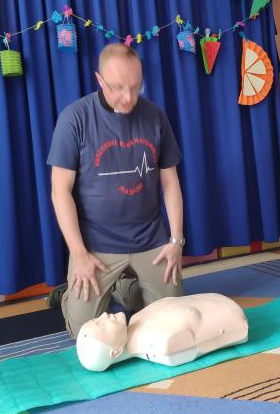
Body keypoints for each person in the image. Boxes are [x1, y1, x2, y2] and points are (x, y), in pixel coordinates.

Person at [46, 43, 185, 338]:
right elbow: (60, 192)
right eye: (118, 88)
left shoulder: (155, 116)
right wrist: (79, 254)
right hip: (96, 245)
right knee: (84, 333)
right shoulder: (74, 118)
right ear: (99, 80)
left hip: (150, 239)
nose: (128, 98)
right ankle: (69, 296)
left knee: (172, 323)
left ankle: (124, 287)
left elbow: (170, 182)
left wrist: (176, 241)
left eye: (136, 87)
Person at [76, 294, 249, 371]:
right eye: (101, 325)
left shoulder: (136, 319)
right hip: (231, 313)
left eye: (96, 319)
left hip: (222, 304)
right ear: (115, 352)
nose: (104, 315)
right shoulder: (161, 345)